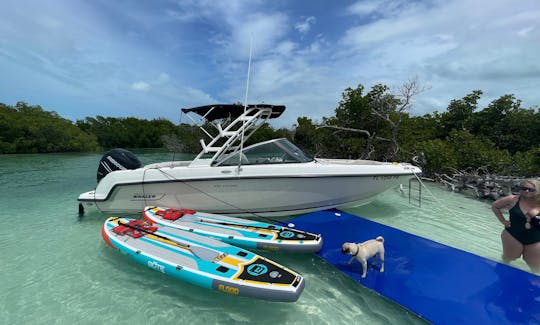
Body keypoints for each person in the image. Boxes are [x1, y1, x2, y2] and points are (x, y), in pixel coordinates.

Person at [491, 179, 540, 273]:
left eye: (531, 190)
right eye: (524, 188)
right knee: (508, 259)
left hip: (536, 239)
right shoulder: (513, 199)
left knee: (535, 266)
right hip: (513, 235)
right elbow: (495, 206)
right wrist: (503, 221)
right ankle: (500, 276)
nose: (527, 191)